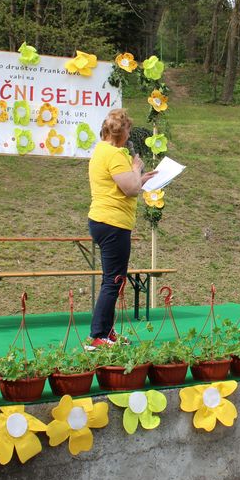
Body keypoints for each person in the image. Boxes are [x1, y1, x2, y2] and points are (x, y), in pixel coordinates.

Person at [86, 109, 155, 349]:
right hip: (112, 223)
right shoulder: (114, 154)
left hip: (104, 220)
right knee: (113, 280)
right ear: (121, 133)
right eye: (128, 131)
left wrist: (142, 178)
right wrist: (136, 168)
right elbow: (131, 189)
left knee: (112, 279)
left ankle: (107, 331)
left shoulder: (101, 150)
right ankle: (98, 335)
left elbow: (124, 185)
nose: (129, 136)